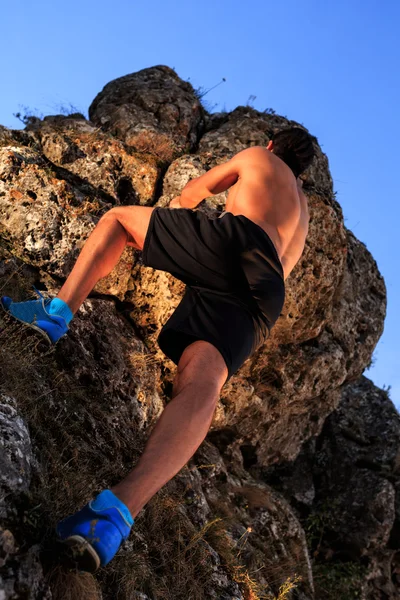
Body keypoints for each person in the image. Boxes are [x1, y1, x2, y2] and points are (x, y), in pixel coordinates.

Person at [1, 127, 315, 572]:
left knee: (119, 220)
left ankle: (54, 314)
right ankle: (113, 516)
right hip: (266, 297)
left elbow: (195, 190)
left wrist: (176, 213)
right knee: (203, 383)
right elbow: (273, 265)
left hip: (236, 242)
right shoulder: (303, 214)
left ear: (270, 145)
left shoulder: (259, 158)